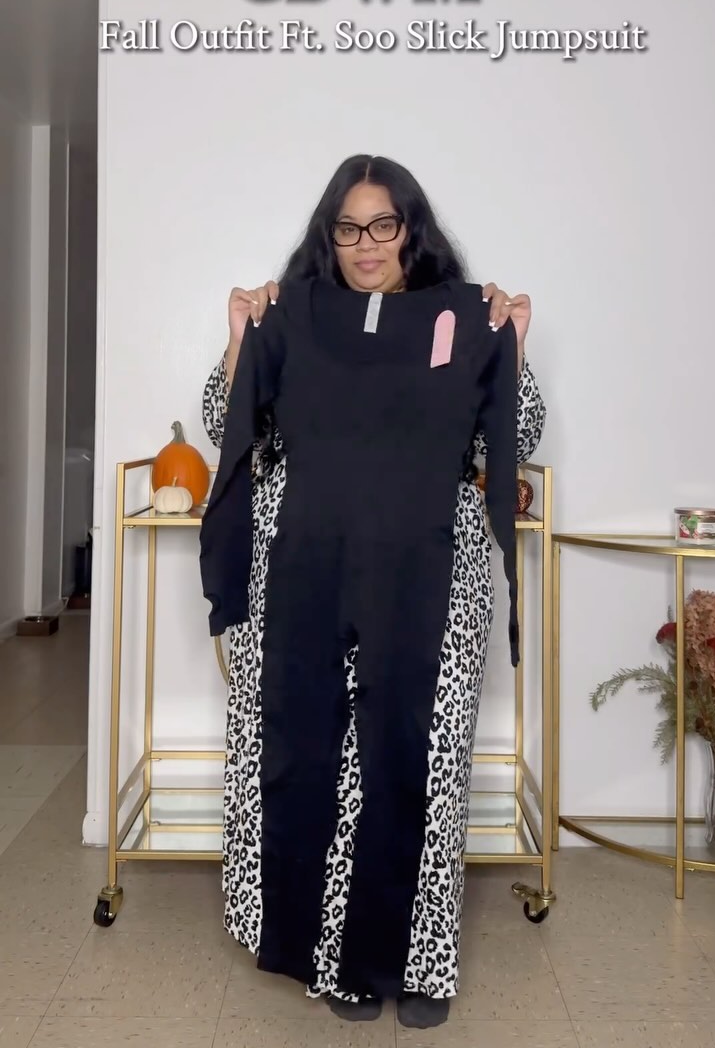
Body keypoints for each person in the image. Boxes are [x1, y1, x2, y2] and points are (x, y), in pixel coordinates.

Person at [200, 154, 546, 1029]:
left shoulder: (461, 318)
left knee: (422, 761)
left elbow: (519, 435)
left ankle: (420, 960)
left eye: (383, 225)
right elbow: (223, 424)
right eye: (348, 227)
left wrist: (513, 346)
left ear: (410, 230)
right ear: (330, 234)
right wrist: (240, 340)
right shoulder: (294, 316)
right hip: (305, 569)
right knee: (318, 759)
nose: (366, 244)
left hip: (435, 574)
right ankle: (340, 961)